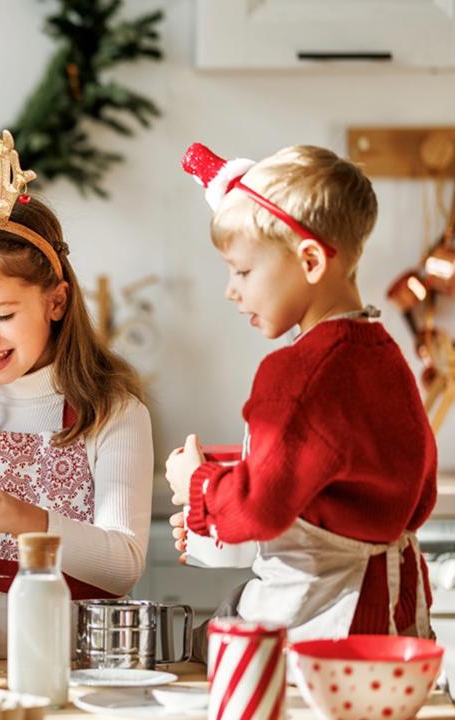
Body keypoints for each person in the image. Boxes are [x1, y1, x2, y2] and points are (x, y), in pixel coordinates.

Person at [167, 142, 436, 642]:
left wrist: (199, 486)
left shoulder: (296, 373)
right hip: (397, 622)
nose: (232, 289)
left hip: (324, 627)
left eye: (243, 271)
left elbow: (258, 509)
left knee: (203, 649)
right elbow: (408, 492)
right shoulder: (384, 353)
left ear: (310, 260)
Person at [0, 131, 152, 657]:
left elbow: (123, 564)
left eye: (4, 315)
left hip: (75, 664)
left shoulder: (113, 413)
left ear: (57, 302)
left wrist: (24, 519)